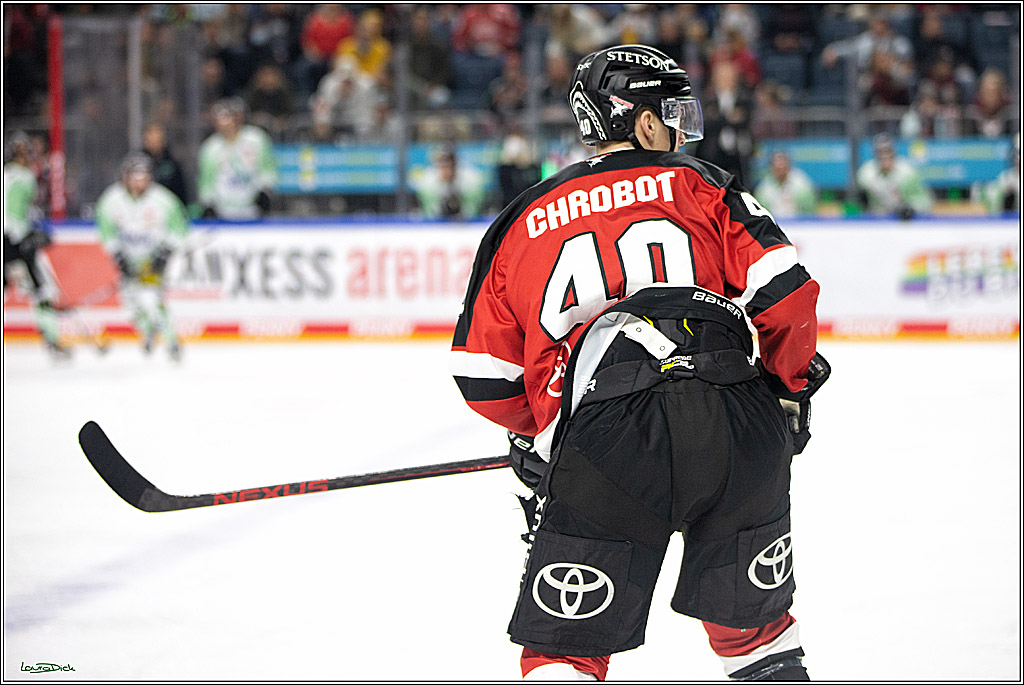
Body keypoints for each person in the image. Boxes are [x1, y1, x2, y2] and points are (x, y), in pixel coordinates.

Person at [451, 45, 826, 681]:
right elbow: (787, 295)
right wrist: (786, 389)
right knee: (756, 636)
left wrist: (545, 433)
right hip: (735, 419)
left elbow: (484, 375)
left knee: (568, 647)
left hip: (609, 438)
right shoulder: (706, 185)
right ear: (644, 121)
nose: (679, 129)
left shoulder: (522, 218)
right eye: (672, 114)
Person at [96, 154, 189, 360]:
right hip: (128, 260)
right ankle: (147, 331)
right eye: (135, 177)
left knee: (152, 298)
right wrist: (119, 257)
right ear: (125, 177)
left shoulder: (164, 200)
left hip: (151, 260)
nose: (140, 182)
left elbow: (179, 230)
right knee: (131, 305)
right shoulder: (110, 200)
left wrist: (163, 254)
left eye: (144, 176)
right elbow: (106, 233)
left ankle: (172, 341)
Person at [3, 131, 68, 360]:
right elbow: (12, 216)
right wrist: (26, 237)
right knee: (43, 290)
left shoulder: (7, 175)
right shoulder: (24, 177)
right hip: (15, 243)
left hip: (12, 240)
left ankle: (52, 339)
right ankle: (52, 339)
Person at [198, 97, 277, 220]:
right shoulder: (210, 147)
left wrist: (265, 191)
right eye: (219, 118)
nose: (223, 122)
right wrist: (208, 204)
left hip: (253, 207)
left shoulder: (256, 139)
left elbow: (268, 168)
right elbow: (206, 181)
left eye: (227, 117)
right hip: (222, 210)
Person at [856, 134, 933, 219]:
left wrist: (909, 207)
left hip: (904, 219)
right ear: (875, 153)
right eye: (880, 152)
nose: (884, 155)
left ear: (893, 151)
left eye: (887, 151)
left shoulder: (908, 172)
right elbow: (861, 194)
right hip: (876, 218)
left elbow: (925, 201)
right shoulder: (866, 172)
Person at [412, 147, 486, 219]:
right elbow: (429, 211)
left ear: (455, 166)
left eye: (450, 166)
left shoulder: (470, 178)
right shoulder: (428, 180)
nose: (447, 171)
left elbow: (473, 209)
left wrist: (465, 215)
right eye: (443, 166)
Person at [754, 151, 817, 218]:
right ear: (771, 168)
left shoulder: (802, 184)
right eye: (777, 168)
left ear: (788, 166)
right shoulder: (763, 189)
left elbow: (809, 211)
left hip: (799, 221)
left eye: (783, 166)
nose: (781, 170)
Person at [142, 122, 189, 207]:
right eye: (151, 140)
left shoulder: (172, 164)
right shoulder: (138, 163)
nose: (154, 144)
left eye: (157, 140)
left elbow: (180, 190)